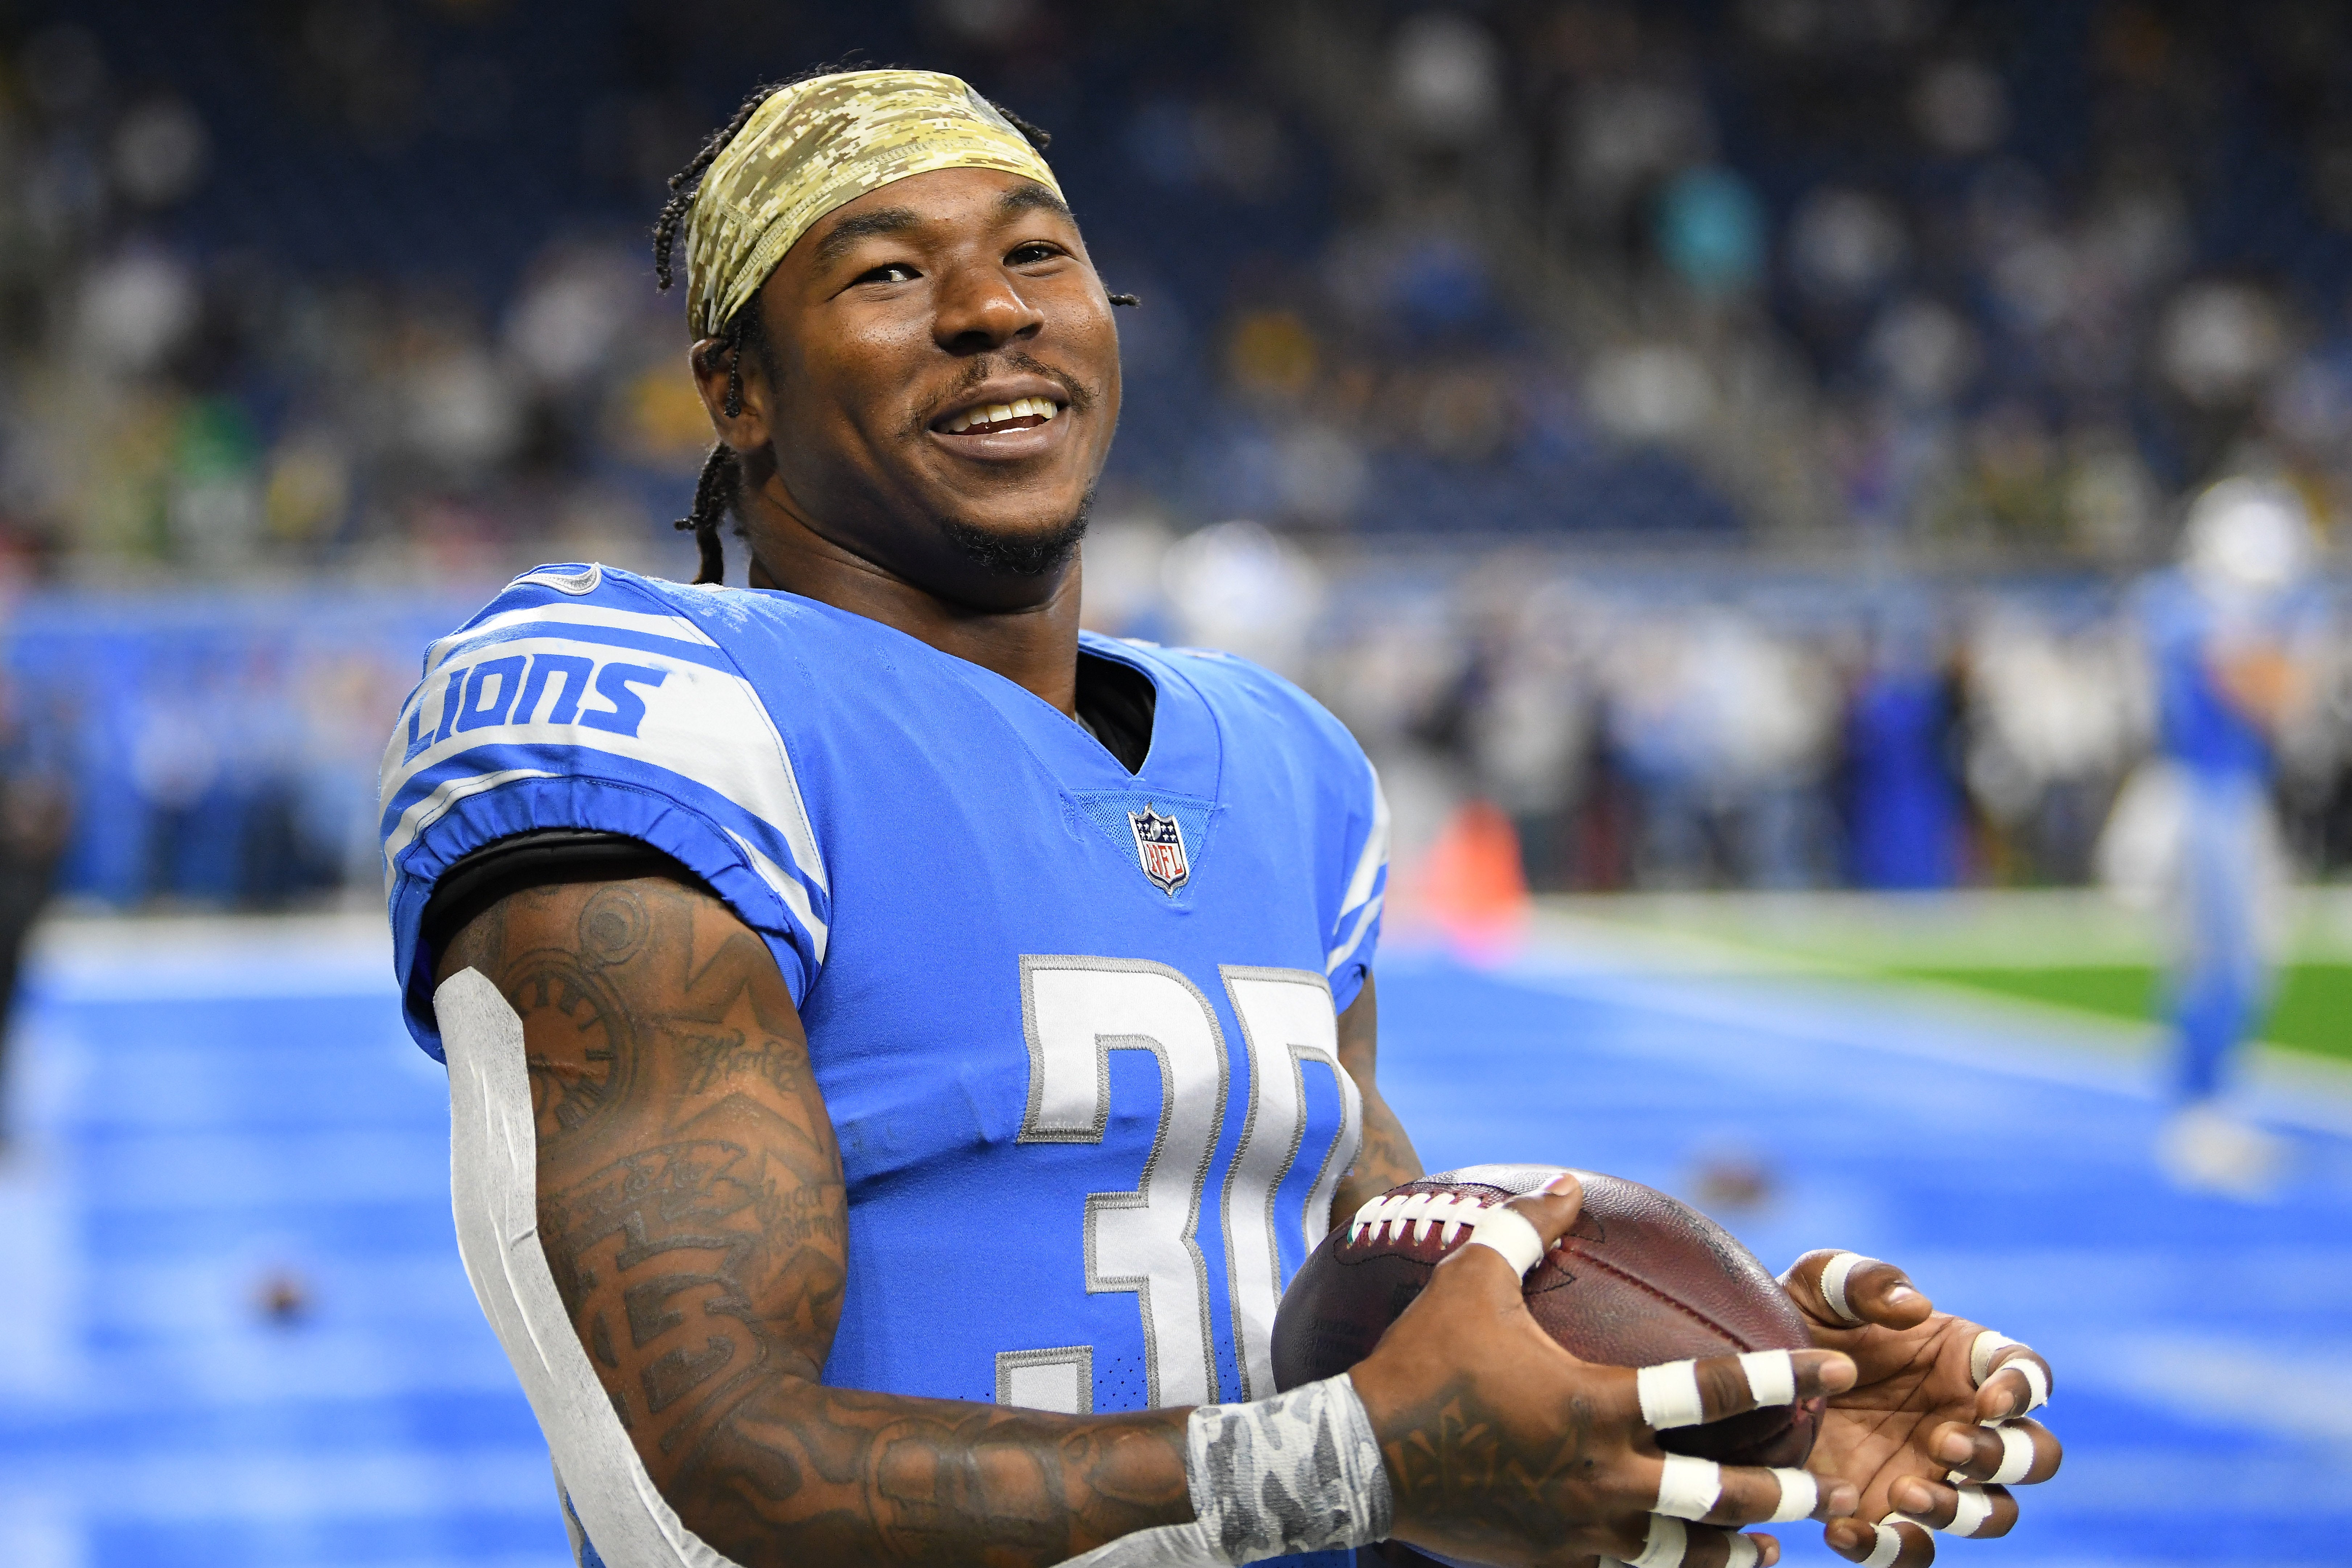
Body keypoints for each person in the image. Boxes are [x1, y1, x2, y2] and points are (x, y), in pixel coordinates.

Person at [378, 70, 2061, 1568]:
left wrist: (1716, 1401)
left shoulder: (1283, 762)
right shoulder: (672, 711)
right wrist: (1354, 1459)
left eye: (1038, 256)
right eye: (887, 273)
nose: (990, 310)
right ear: (738, 391)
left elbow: (1376, 1358)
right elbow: (685, 1491)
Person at [2130, 478, 2314, 1194]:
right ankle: (2199, 1115)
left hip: (2219, 795)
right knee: (2225, 965)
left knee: (2234, 963)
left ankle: (2206, 1106)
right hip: (2205, 799)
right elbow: (2267, 697)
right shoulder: (2199, 613)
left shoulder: (2185, 606)